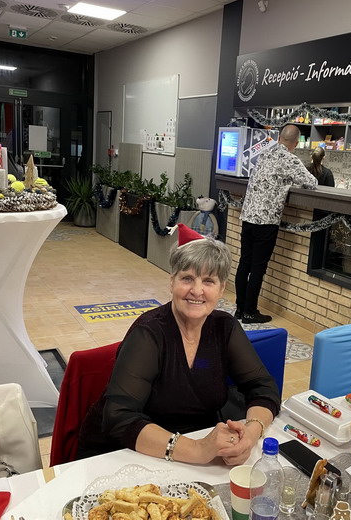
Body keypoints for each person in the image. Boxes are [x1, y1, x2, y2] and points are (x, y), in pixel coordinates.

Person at [77, 224, 280, 465]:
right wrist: (197, 449)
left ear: (222, 289)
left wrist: (251, 435)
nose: (197, 290)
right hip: (123, 453)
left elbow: (262, 387)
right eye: (187, 278)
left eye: (208, 281)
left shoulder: (224, 328)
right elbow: (119, 418)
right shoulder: (149, 333)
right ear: (172, 282)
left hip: (191, 451)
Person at [235, 124, 318, 324]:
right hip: (266, 221)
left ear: (279, 137)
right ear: (296, 143)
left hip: (248, 217)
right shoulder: (290, 159)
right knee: (258, 268)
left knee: (244, 263)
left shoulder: (264, 153)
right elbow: (312, 182)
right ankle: (250, 312)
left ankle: (239, 308)